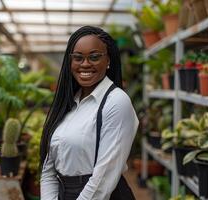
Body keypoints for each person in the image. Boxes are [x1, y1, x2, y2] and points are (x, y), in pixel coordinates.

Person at [40, 26, 139, 200]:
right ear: (70, 62)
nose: (85, 64)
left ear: (108, 60)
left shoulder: (116, 102)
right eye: (78, 58)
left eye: (94, 57)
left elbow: (103, 180)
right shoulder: (68, 104)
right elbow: (49, 168)